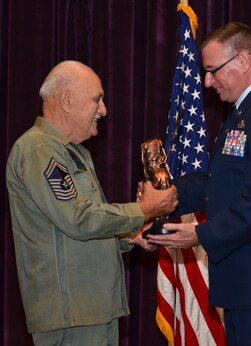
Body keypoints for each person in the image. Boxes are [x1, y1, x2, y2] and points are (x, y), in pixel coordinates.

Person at [147, 22, 251, 346]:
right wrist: (169, 195)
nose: (207, 81)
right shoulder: (244, 113)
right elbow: (221, 182)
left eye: (212, 70)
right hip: (246, 281)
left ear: (242, 61)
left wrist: (200, 233)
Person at [6, 60, 178, 346]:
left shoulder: (73, 153)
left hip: (93, 309)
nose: (104, 110)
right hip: (71, 314)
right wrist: (145, 209)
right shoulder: (39, 150)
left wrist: (129, 235)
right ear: (67, 100)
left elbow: (73, 231)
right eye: (97, 99)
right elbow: (79, 219)